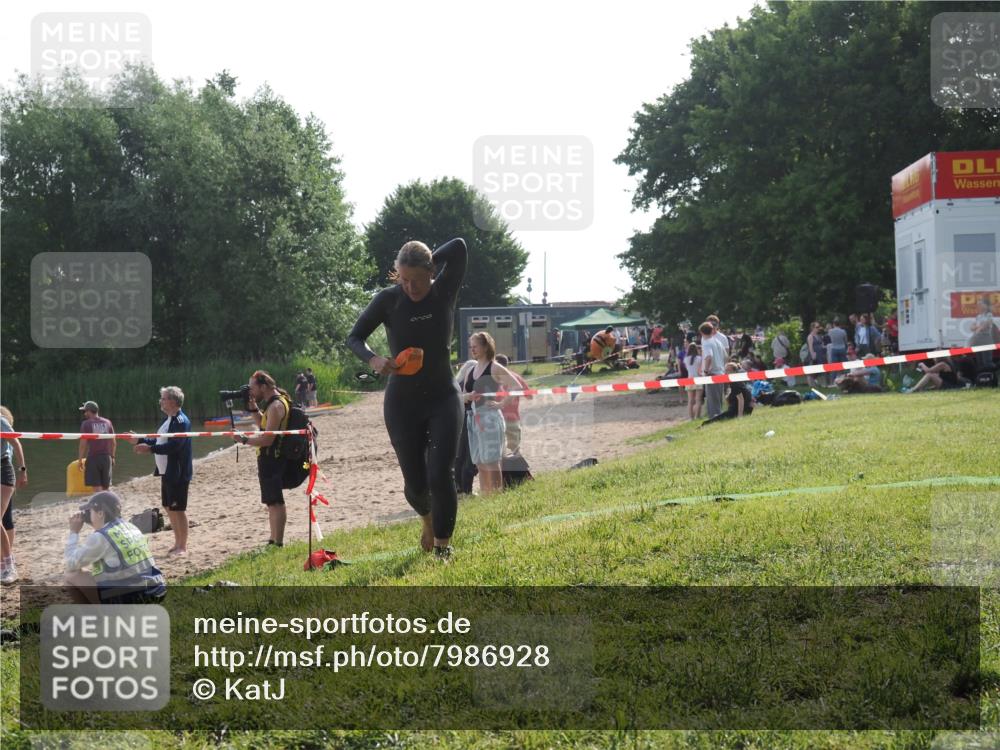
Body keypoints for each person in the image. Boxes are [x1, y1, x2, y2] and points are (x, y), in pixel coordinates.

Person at [347, 238, 467, 561]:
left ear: (431, 272)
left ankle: (443, 547)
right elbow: (354, 337)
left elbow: (459, 247)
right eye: (403, 279)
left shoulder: (444, 290)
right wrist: (373, 359)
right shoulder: (389, 300)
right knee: (416, 485)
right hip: (403, 403)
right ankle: (427, 520)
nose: (410, 287)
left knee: (441, 473)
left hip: (443, 396)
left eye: (416, 279)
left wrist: (428, 258)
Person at [64, 490, 166, 605]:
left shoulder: (101, 537)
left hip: (133, 598)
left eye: (90, 511)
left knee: (71, 574)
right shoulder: (131, 527)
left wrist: (74, 532)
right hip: (156, 592)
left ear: (100, 513)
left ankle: (98, 617)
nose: (87, 514)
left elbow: (70, 563)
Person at [232, 371, 293, 547]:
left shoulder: (276, 406)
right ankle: (273, 540)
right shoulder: (274, 402)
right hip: (269, 457)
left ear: (263, 386)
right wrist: (253, 409)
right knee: (271, 502)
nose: (251, 391)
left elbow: (268, 439)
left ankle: (277, 542)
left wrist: (244, 439)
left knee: (275, 501)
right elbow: (263, 425)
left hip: (273, 458)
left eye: (252, 387)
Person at [132, 386, 193, 556]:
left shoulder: (181, 421)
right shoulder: (168, 420)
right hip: (166, 471)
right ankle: (177, 542)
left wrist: (149, 449)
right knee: (168, 507)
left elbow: (175, 445)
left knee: (178, 509)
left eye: (164, 398)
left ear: (173, 401)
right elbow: (158, 440)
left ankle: (183, 546)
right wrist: (139, 439)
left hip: (178, 472)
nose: (161, 401)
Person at [456, 334, 520, 494]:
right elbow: (462, 396)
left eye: (475, 346)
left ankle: (496, 496)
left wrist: (501, 403)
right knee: (479, 461)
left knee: (491, 460)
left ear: (486, 347)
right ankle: (486, 496)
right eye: (471, 346)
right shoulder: (470, 369)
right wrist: (467, 397)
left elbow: (516, 386)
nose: (472, 349)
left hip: (489, 418)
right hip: (472, 418)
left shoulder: (494, 367)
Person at [1, 406, 27, 584]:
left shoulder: (1, 421)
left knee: (3, 519)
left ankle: (9, 566)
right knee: (5, 519)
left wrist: (23, 470)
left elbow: (16, 443)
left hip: (3, 470)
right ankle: (4, 561)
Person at [494, 354, 532, 455]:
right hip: (512, 416)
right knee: (515, 449)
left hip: (496, 416)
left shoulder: (493, 378)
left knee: (497, 448)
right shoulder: (516, 377)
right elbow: (530, 396)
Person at [78, 401, 115, 491]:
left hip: (93, 458)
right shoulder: (108, 422)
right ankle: (108, 503)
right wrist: (112, 457)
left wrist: (80, 460)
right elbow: (113, 442)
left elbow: (83, 444)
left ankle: (100, 504)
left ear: (89, 411)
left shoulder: (86, 424)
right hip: (107, 458)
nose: (84, 413)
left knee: (96, 487)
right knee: (106, 487)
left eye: (85, 411)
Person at [700, 322, 727, 419]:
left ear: (701, 333)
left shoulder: (706, 343)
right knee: (718, 400)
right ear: (712, 331)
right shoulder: (718, 342)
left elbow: (708, 357)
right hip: (720, 373)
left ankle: (714, 419)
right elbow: (725, 357)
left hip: (712, 374)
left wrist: (706, 371)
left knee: (712, 401)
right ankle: (719, 418)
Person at [969, 296, 996, 371]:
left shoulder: (989, 315)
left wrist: (978, 328)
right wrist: (978, 327)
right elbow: (971, 327)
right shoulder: (978, 316)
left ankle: (991, 375)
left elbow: (986, 324)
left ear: (986, 306)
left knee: (986, 360)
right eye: (978, 305)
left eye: (981, 304)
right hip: (978, 340)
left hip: (986, 339)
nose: (979, 306)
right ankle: (982, 378)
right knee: (980, 361)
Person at [683, 343, 703, 421]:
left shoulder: (686, 359)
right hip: (698, 379)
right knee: (698, 399)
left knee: (690, 400)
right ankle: (697, 416)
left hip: (689, 379)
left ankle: (691, 417)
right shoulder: (699, 358)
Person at [807, 322, 827, 389]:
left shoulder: (819, 336)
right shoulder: (810, 336)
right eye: (817, 327)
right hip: (814, 355)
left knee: (820, 370)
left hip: (820, 355)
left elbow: (822, 344)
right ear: (812, 328)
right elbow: (810, 347)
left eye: (819, 327)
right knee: (812, 371)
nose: (818, 328)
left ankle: (820, 384)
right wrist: (813, 355)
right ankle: (811, 385)